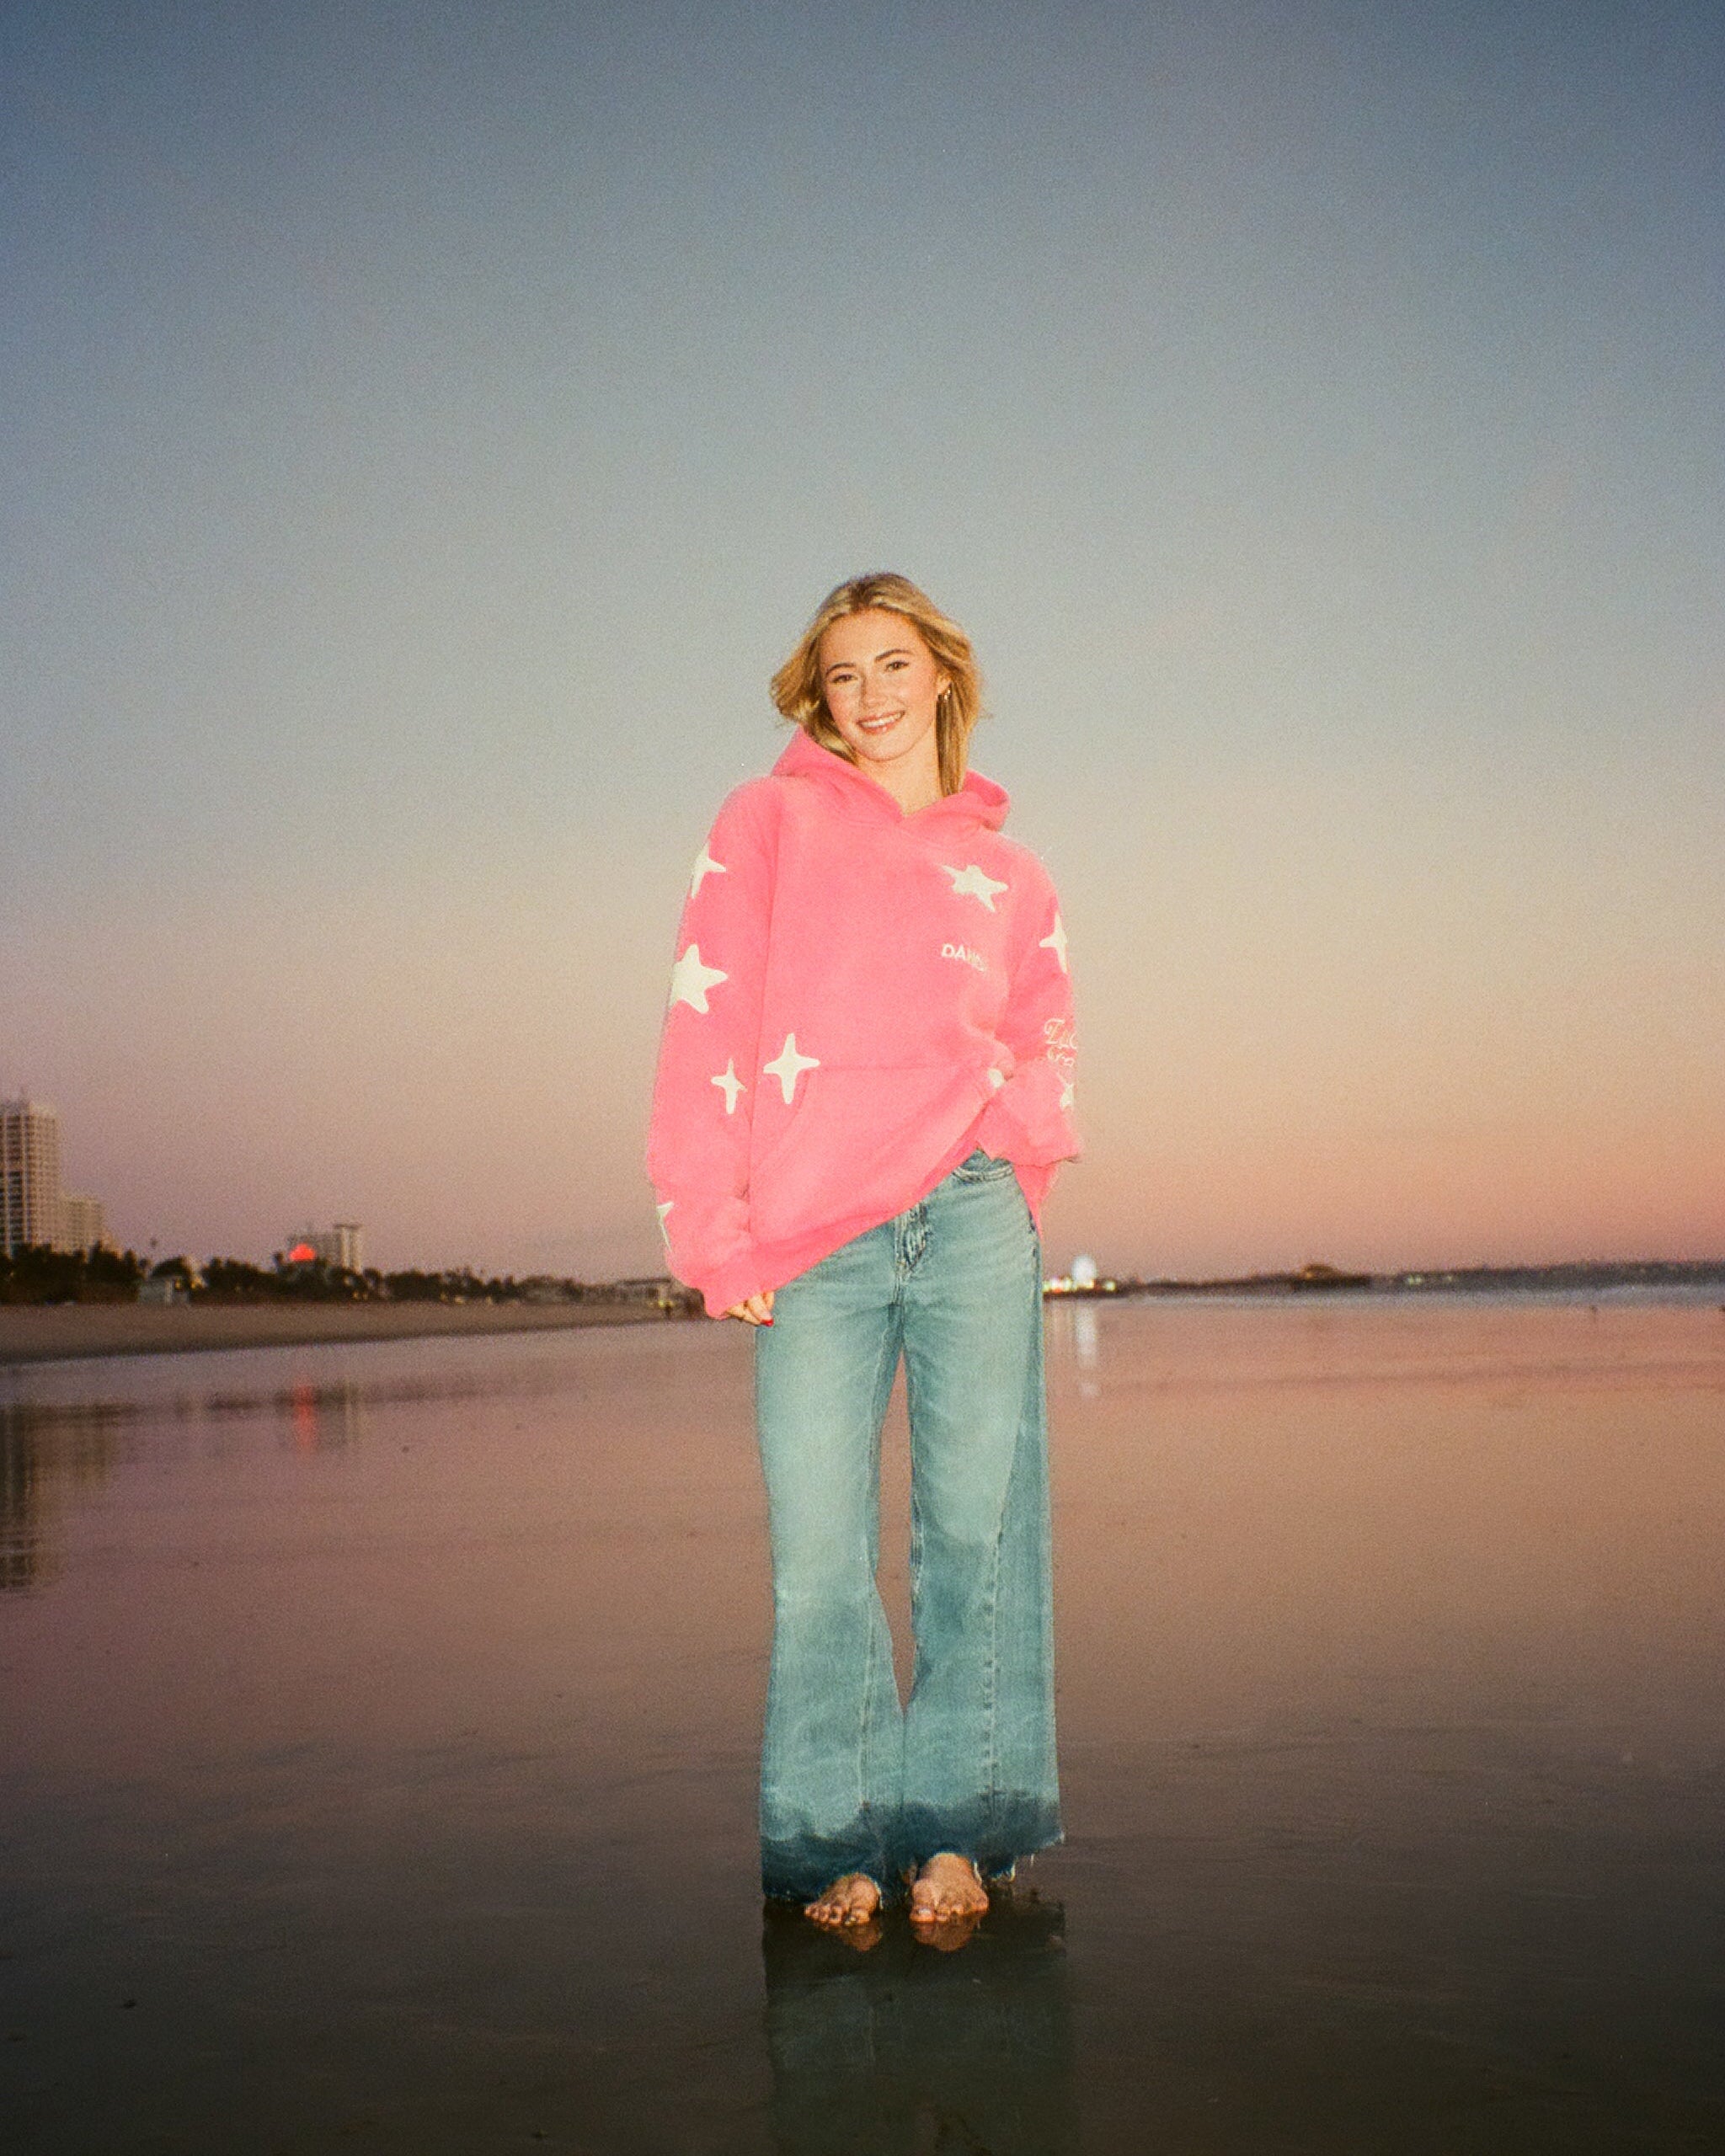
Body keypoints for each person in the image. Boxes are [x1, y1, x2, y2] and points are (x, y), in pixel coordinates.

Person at [647, 571, 1077, 1930]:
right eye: (846, 675)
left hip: (969, 1221)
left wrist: (1020, 1170)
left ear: (942, 676)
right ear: (817, 696)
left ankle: (963, 1835)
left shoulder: (1009, 869)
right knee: (819, 1555)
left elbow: (1042, 1030)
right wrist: (714, 1229)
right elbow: (704, 1032)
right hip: (813, 1235)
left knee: (975, 1535)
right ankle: (832, 1838)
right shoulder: (764, 823)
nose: (873, 696)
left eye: (896, 666)